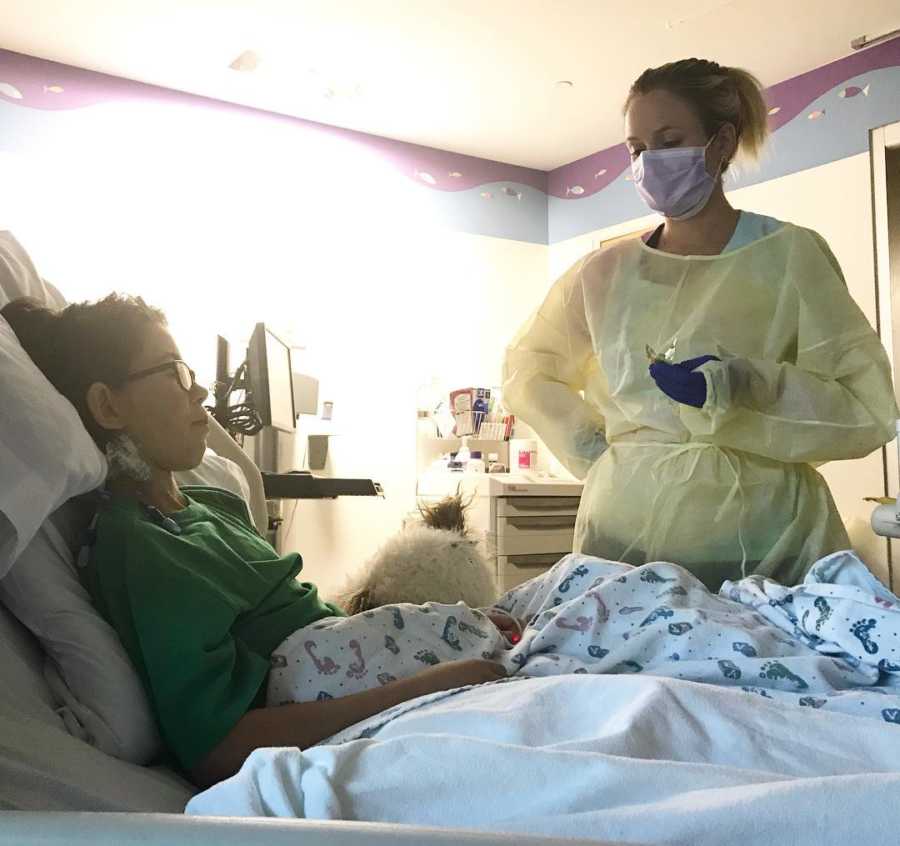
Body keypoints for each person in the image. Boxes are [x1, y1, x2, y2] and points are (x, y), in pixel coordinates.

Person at [502, 58, 898, 591]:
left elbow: (865, 406)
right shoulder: (602, 275)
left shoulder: (788, 256)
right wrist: (595, 446)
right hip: (626, 537)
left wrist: (743, 386)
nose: (648, 162)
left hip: (770, 544)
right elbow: (529, 367)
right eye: (637, 149)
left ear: (722, 142)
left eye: (668, 141)